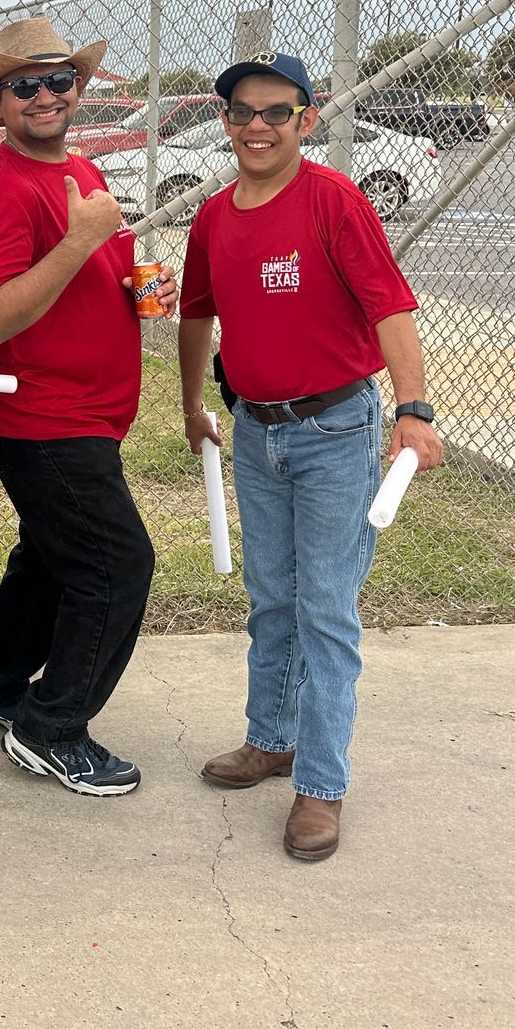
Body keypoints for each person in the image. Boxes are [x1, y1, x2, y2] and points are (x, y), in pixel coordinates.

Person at [178, 51, 444, 862]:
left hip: (336, 430)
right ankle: (272, 739)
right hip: (257, 433)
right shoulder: (214, 216)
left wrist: (413, 410)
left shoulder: (333, 202)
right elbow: (195, 317)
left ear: (307, 119)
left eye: (275, 112)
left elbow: (390, 307)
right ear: (224, 121)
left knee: (325, 610)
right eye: (242, 113)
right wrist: (193, 404)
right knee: (271, 600)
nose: (257, 127)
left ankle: (321, 786)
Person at [0, 17, 177, 798]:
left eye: (58, 80)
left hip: (87, 410)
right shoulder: (8, 188)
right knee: (117, 566)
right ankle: (51, 728)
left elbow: (78, 272)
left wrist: (127, 283)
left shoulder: (78, 170)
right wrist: (82, 244)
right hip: (41, 417)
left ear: (77, 89)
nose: (45, 95)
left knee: (52, 553)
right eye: (25, 85)